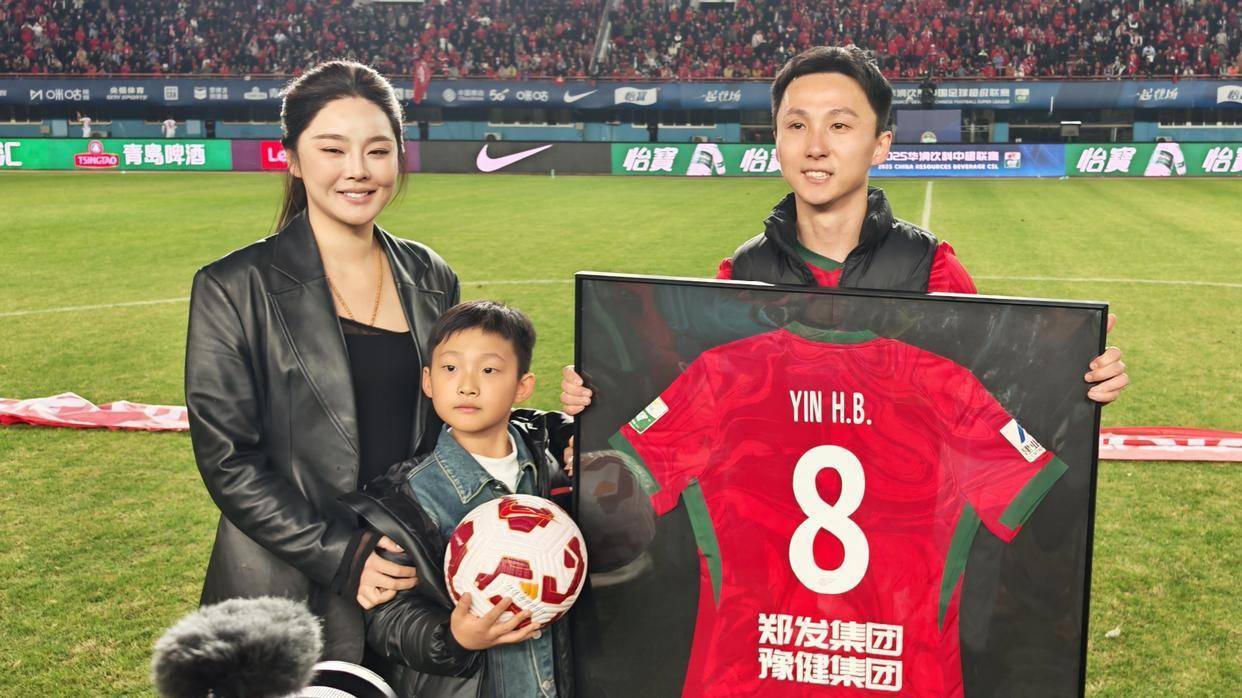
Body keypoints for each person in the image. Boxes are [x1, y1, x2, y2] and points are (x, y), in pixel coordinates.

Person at [560, 45, 1129, 417]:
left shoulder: (930, 270)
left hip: (901, 540)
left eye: (839, 125)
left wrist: (1073, 380)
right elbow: (697, 403)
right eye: (796, 125)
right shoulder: (742, 275)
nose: (815, 146)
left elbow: (989, 398)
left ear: (880, 145)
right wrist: (603, 393)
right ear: (776, 141)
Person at [185, 60, 458, 667]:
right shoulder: (233, 286)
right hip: (284, 588)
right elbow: (229, 460)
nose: (358, 169)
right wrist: (343, 556)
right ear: (291, 158)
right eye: (332, 149)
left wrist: (556, 428)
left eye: (377, 150)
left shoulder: (432, 276)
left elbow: (456, 416)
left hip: (409, 584)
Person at [341, 300, 575, 697]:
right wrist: (452, 637)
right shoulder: (406, 497)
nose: (467, 385)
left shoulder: (549, 461)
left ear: (522, 386)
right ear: (428, 381)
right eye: (450, 368)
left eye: (489, 370)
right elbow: (387, 619)